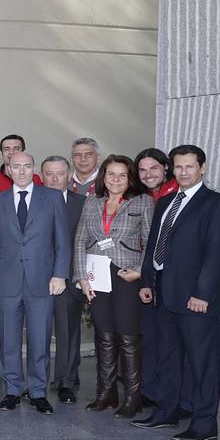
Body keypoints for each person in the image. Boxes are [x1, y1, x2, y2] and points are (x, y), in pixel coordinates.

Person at [134, 145, 220, 440]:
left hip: (197, 299)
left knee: (202, 362)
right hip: (164, 293)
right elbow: (154, 245)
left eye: (189, 166)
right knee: (168, 357)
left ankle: (205, 425)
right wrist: (146, 281)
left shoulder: (218, 204)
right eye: (178, 167)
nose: (183, 172)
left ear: (202, 167)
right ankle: (167, 412)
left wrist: (202, 293)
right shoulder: (166, 202)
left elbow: (217, 254)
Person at [0, 152, 70, 414]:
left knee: (40, 338)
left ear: (34, 170)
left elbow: (62, 241)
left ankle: (38, 391)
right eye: (16, 167)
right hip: (7, 281)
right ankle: (12, 390)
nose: (21, 171)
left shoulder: (52, 198)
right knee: (8, 338)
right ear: (8, 169)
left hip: (42, 281)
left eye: (27, 166)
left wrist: (60, 274)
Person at [74, 155, 154, 416]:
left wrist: (141, 273)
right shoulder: (92, 202)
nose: (116, 180)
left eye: (122, 175)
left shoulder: (142, 201)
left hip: (126, 276)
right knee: (104, 335)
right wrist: (81, 277)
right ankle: (106, 394)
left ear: (130, 178)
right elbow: (80, 240)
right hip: (97, 274)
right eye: (111, 174)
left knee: (128, 336)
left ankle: (133, 398)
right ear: (103, 176)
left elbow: (151, 241)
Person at [134, 147, 180, 407]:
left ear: (165, 168)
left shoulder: (177, 196)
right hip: (146, 276)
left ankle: (170, 394)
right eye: (142, 169)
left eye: (153, 168)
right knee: (148, 337)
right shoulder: (142, 196)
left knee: (169, 341)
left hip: (171, 278)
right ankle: (149, 392)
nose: (148, 174)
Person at [41, 155, 87, 404]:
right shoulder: (31, 200)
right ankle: (38, 381)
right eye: (49, 173)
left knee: (68, 331)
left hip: (68, 279)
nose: (55, 178)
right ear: (42, 175)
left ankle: (66, 381)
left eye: (60, 173)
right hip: (36, 280)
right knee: (38, 333)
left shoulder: (83, 203)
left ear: (69, 175)